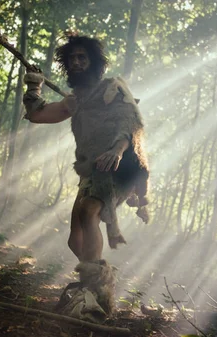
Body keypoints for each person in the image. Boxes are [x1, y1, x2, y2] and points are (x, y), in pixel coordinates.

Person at [22, 33, 149, 320]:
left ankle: (91, 294)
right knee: (74, 240)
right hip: (91, 173)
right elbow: (38, 115)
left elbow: (131, 123)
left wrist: (117, 150)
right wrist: (33, 85)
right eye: (72, 58)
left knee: (90, 211)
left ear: (93, 62)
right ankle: (100, 284)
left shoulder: (112, 89)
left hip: (119, 168)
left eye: (83, 57)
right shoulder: (74, 101)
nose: (77, 62)